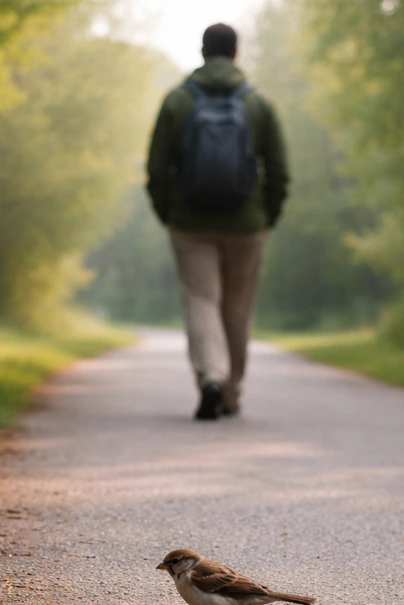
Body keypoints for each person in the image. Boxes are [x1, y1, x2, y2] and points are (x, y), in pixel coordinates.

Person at [146, 23, 289, 421]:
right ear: (236, 53)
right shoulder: (258, 103)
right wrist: (267, 217)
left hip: (189, 223)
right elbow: (279, 171)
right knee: (237, 308)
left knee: (201, 300)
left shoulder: (177, 101)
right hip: (247, 224)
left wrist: (168, 213)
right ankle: (230, 393)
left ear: (202, 52)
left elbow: (156, 169)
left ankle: (211, 376)